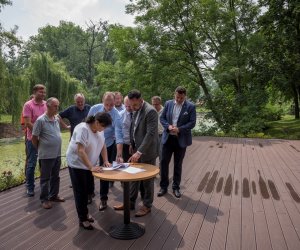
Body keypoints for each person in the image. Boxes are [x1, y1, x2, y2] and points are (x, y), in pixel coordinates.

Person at [114, 89, 158, 217]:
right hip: (136, 149)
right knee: (133, 178)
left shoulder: (150, 111)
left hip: (148, 151)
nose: (132, 108)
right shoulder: (136, 109)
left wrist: (139, 151)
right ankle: (130, 203)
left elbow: (150, 134)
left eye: (134, 105)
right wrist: (132, 145)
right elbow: (134, 128)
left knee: (147, 180)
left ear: (140, 99)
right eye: (130, 105)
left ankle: (147, 205)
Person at [67, 112, 112, 230]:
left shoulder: (99, 130)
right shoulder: (83, 128)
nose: (104, 129)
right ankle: (83, 219)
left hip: (89, 164)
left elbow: (103, 145)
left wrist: (106, 160)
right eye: (103, 126)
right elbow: (80, 150)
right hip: (77, 164)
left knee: (89, 190)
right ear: (96, 122)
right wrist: (91, 167)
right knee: (80, 191)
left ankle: (85, 214)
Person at [157, 86, 196, 198]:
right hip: (167, 138)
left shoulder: (190, 107)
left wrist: (179, 129)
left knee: (178, 165)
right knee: (163, 163)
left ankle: (176, 188)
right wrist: (168, 126)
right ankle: (163, 187)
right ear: (175, 94)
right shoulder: (168, 103)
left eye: (181, 98)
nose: (179, 100)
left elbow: (192, 123)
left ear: (185, 96)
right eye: (177, 97)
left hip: (181, 139)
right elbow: (162, 118)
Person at [88, 92, 124, 211]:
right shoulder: (94, 109)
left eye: (111, 105)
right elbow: (87, 124)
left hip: (107, 143)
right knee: (89, 168)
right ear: (102, 101)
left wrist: (119, 153)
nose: (109, 107)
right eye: (106, 104)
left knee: (105, 170)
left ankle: (103, 199)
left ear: (115, 102)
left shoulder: (117, 115)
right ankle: (89, 192)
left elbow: (119, 134)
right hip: (92, 143)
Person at [32, 97, 65, 209]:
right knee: (45, 179)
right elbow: (34, 137)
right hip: (46, 155)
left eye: (58, 106)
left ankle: (53, 195)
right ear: (48, 106)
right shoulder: (40, 120)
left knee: (55, 176)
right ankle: (44, 199)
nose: (57, 108)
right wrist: (40, 149)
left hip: (57, 154)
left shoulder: (56, 118)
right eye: (55, 106)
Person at [22, 84, 47, 197]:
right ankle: (30, 186)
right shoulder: (28, 105)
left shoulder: (46, 104)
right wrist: (38, 134)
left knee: (44, 163)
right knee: (32, 163)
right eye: (41, 92)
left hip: (45, 139)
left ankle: (44, 185)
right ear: (35, 92)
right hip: (32, 139)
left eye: (44, 92)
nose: (43, 94)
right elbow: (28, 123)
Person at [151, 96, 164, 166]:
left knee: (162, 154)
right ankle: (152, 172)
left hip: (162, 135)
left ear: (160, 103)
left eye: (156, 104)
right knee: (152, 154)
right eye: (153, 104)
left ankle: (162, 173)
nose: (154, 106)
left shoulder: (165, 110)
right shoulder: (151, 111)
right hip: (153, 135)